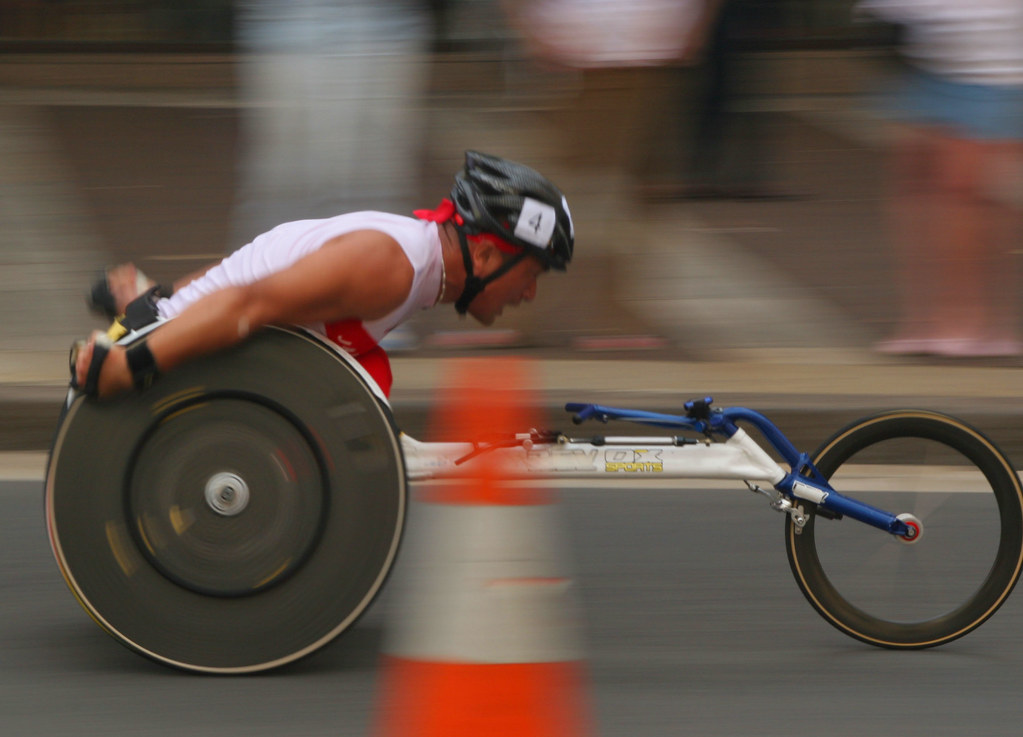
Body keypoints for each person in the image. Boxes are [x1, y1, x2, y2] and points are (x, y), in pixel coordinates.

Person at [73, 151, 575, 399]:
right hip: (145, 356)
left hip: (157, 328)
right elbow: (246, 304)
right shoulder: (392, 267)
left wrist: (154, 297)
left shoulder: (415, 263)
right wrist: (127, 364)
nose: (530, 292)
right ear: (485, 256)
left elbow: (252, 266)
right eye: (531, 272)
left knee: (369, 379)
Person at [860, 0, 1023, 357]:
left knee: (962, 193)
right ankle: (927, 321)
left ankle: (972, 322)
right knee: (915, 189)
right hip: (929, 57)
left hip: (990, 64)